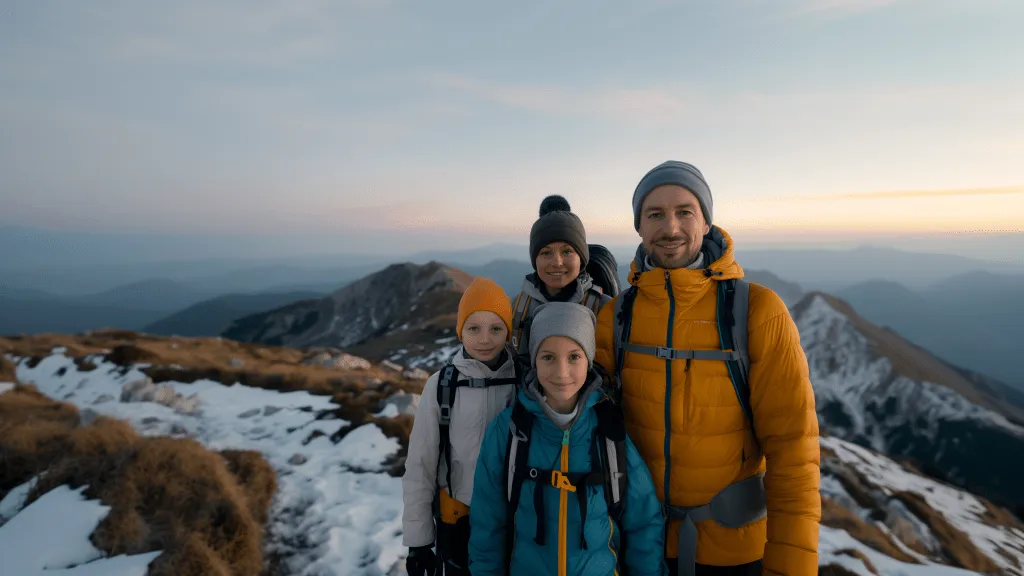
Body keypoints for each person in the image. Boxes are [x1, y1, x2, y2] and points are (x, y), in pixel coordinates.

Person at [594, 161, 821, 576]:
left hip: (733, 553)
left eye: (685, 211)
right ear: (639, 227)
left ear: (706, 220)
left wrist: (791, 565)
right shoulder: (617, 316)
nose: (671, 227)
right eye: (655, 214)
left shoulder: (756, 311)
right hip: (640, 545)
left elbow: (793, 450)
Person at [468, 302, 667, 576]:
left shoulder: (608, 429)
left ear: (589, 359)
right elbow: (486, 525)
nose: (562, 373)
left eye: (574, 357)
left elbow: (643, 521)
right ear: (534, 360)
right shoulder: (509, 430)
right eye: (548, 357)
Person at [402, 277, 524, 576]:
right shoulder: (442, 385)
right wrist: (419, 543)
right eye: (474, 328)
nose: (485, 339)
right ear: (461, 332)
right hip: (458, 519)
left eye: (496, 329)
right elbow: (421, 464)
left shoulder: (524, 381)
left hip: (516, 517)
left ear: (508, 332)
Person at [511, 195, 610, 364]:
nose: (557, 262)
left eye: (567, 251)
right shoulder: (516, 308)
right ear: (535, 260)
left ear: (582, 258)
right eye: (546, 252)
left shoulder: (605, 309)